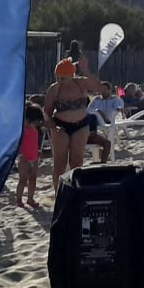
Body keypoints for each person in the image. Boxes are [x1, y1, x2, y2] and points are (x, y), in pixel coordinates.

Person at [43, 57, 99, 194]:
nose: (59, 81)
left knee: (77, 161)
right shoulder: (54, 89)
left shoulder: (80, 83)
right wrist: (52, 126)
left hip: (81, 124)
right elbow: (47, 112)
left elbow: (98, 86)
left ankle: (75, 191)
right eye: (57, 77)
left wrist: (86, 71)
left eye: (63, 78)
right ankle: (58, 193)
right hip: (60, 125)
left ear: (71, 76)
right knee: (59, 162)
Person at [86, 80, 123, 163]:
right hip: (96, 121)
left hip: (108, 121)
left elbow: (118, 107)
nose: (103, 91)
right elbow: (88, 110)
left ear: (110, 90)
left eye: (105, 89)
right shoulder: (96, 100)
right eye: (102, 89)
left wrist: (121, 109)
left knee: (97, 111)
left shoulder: (114, 99)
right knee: (94, 113)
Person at [16, 104, 43, 207]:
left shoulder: (34, 130)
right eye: (36, 122)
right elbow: (19, 145)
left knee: (33, 178)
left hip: (34, 157)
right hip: (24, 158)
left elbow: (33, 143)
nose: (37, 124)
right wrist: (21, 155)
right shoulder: (23, 131)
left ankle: (30, 198)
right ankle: (19, 199)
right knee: (23, 179)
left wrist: (37, 151)